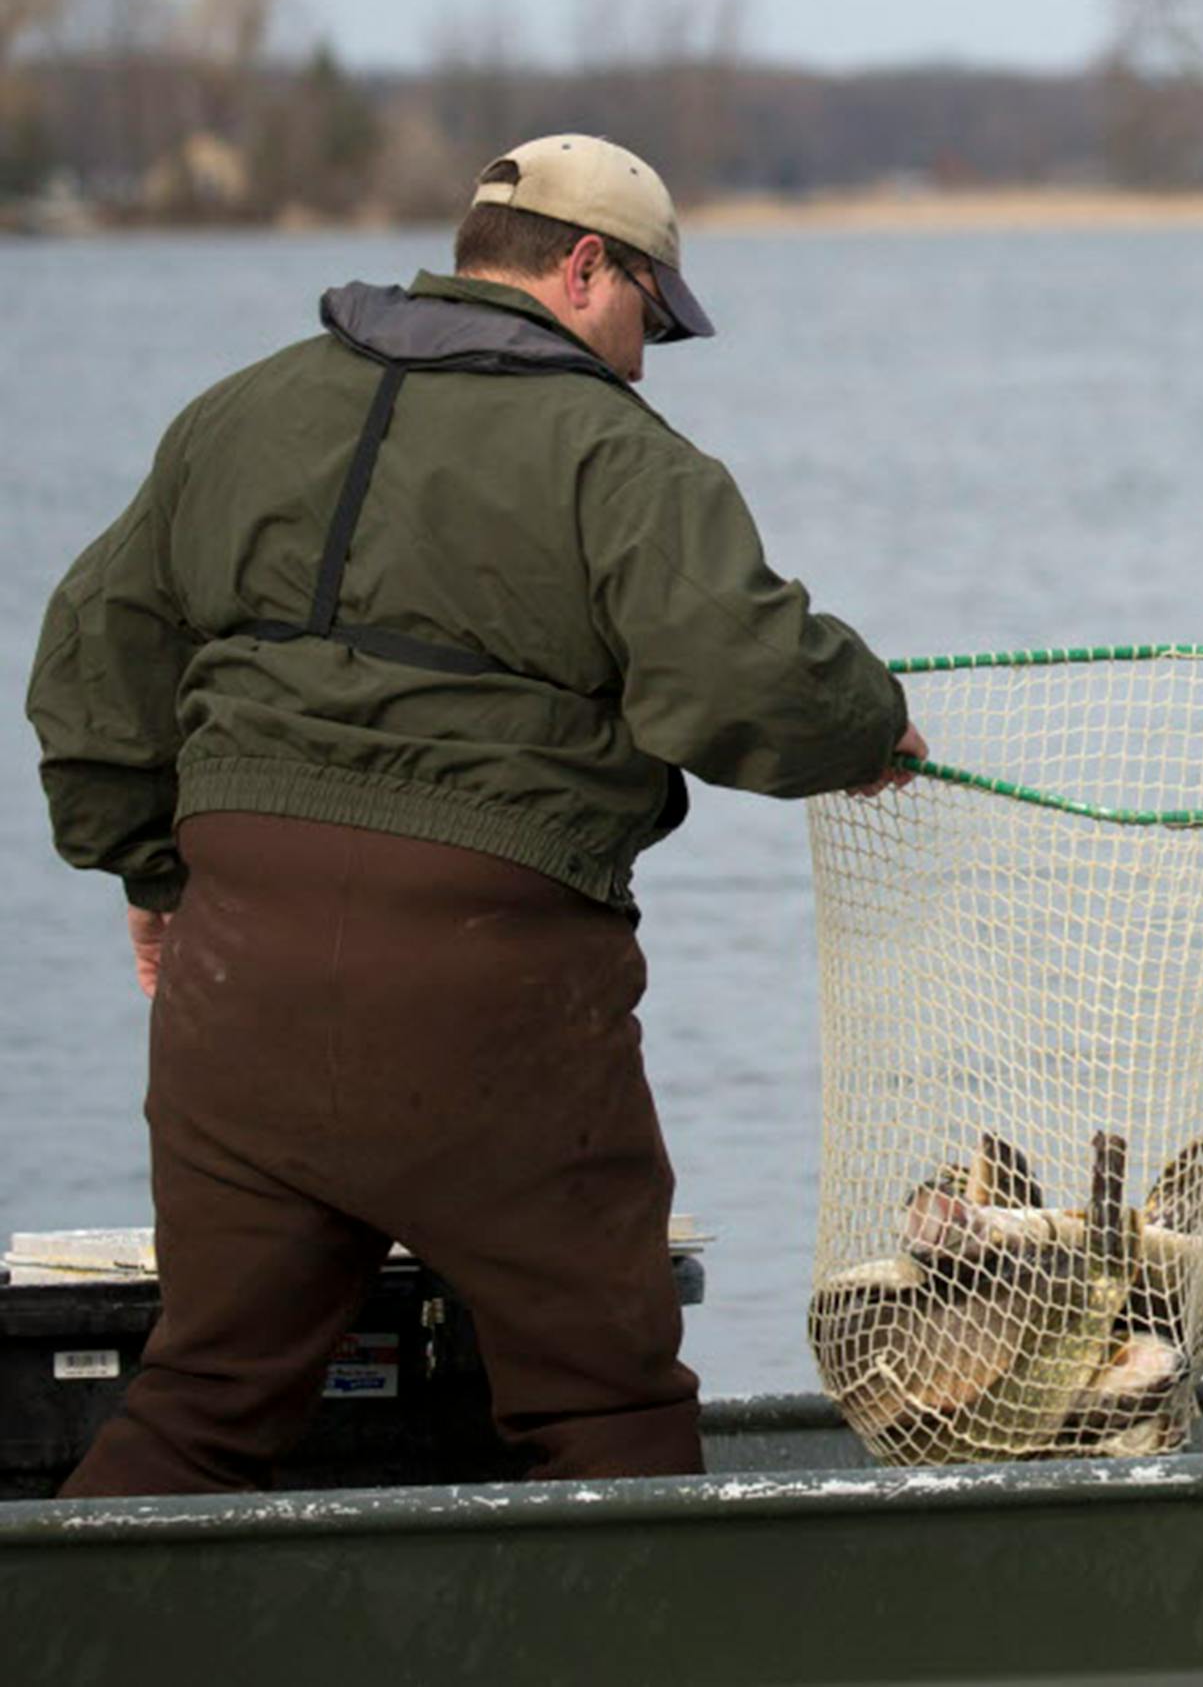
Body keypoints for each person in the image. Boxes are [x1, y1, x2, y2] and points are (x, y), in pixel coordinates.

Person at [27, 133, 923, 1495]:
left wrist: (153, 875)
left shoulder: (241, 410)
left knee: (204, 1399)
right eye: (650, 315)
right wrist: (869, 725)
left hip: (237, 988)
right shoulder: (620, 458)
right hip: (490, 989)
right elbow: (743, 675)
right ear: (583, 267)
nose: (644, 356)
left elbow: (90, 662)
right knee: (603, 1404)